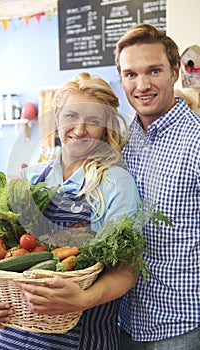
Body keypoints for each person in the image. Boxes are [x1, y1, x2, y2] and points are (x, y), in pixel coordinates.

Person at [0, 72, 141, 349]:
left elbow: (127, 269)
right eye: (71, 116)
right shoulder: (30, 177)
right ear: (57, 119)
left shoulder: (115, 183)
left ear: (106, 127)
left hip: (81, 338)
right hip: (11, 338)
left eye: (93, 121)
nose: (80, 129)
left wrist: (84, 298)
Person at [115, 23, 200, 349]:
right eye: (131, 74)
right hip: (124, 321)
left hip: (181, 327)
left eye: (154, 71)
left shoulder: (195, 142)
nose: (142, 85)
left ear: (175, 71)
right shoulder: (124, 139)